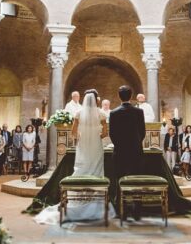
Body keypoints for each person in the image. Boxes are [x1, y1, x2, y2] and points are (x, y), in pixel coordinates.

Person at [35, 91, 116, 224]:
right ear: (96, 101)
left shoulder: (79, 113)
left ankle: (78, 197)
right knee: (96, 169)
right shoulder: (101, 114)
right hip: (96, 146)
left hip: (83, 145)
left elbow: (73, 133)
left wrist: (82, 138)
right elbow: (106, 132)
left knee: (82, 167)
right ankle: (95, 198)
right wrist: (96, 137)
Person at [109, 85, 146, 220]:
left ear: (119, 96)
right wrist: (135, 145)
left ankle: (121, 210)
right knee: (136, 180)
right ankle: (137, 211)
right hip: (136, 151)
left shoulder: (113, 113)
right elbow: (142, 132)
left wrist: (120, 145)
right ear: (131, 96)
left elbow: (112, 134)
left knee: (120, 181)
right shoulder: (138, 112)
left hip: (120, 151)